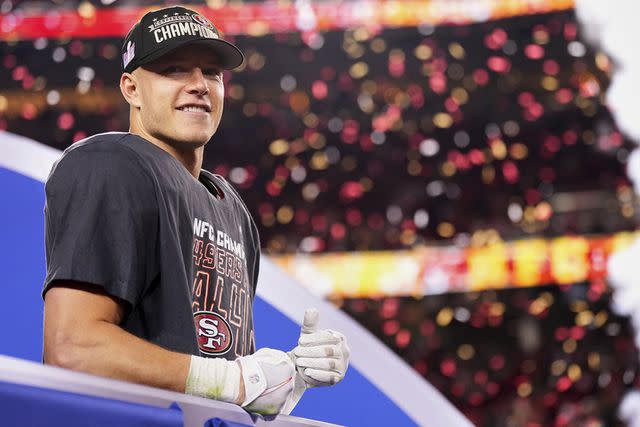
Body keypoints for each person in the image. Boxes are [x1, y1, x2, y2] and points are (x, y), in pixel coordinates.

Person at [42, 6, 349, 415]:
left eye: (212, 73)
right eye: (173, 70)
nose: (199, 85)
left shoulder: (232, 208)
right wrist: (236, 381)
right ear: (131, 88)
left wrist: (285, 377)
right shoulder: (112, 165)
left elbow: (216, 366)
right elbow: (72, 348)